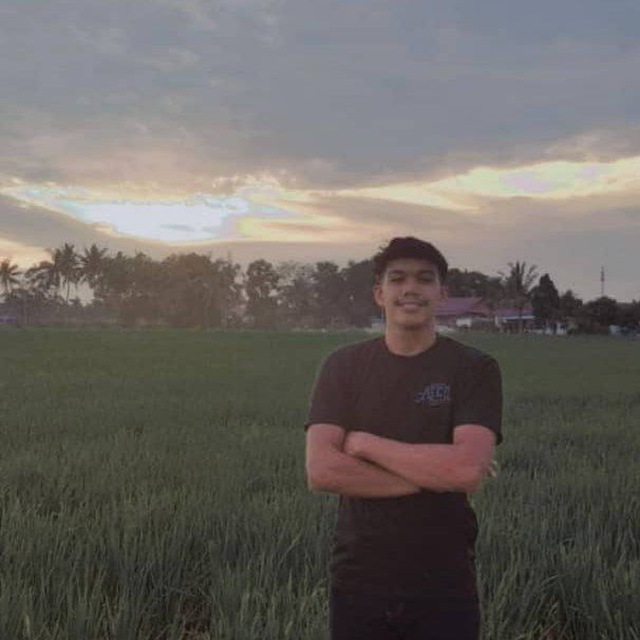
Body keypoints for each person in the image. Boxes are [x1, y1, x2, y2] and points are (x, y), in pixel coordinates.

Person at [305, 237, 502, 640]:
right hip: (359, 578)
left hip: (444, 579)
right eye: (397, 279)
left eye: (424, 279)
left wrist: (365, 444)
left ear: (442, 294)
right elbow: (322, 471)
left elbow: (466, 470)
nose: (410, 288)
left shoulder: (474, 368)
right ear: (380, 294)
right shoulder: (343, 366)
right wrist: (435, 476)